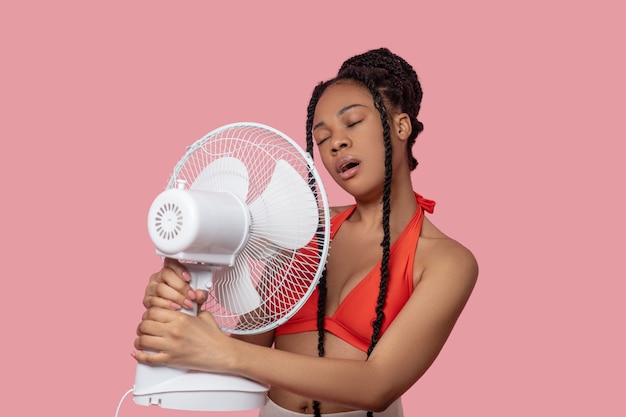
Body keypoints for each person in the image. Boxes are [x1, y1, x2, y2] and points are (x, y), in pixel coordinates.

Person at [133, 47, 478, 417]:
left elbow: (377, 384)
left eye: (353, 122)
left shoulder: (446, 261)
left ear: (401, 126)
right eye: (322, 136)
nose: (336, 143)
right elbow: (251, 345)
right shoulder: (302, 232)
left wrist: (223, 351)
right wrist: (184, 300)